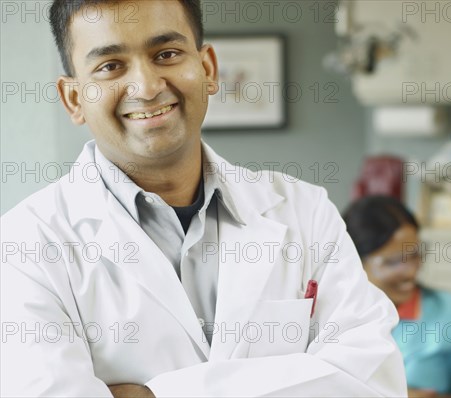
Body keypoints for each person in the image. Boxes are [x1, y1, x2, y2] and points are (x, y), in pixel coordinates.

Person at [0, 1, 408, 396]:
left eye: (167, 53)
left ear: (208, 68)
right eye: (110, 66)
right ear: (74, 98)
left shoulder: (305, 210)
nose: (146, 86)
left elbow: (372, 382)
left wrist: (159, 395)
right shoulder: (25, 245)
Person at [343, 196, 451, 397]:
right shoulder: (330, 319)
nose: (411, 272)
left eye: (415, 255)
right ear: (355, 262)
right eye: (393, 262)